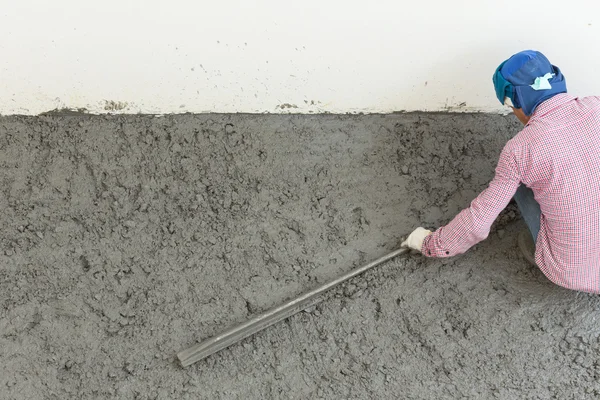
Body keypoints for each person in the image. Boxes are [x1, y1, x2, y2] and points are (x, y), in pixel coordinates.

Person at [401, 50, 600, 294]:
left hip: (577, 272)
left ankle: (543, 248)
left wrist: (430, 244)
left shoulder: (520, 150)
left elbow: (478, 222)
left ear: (512, 103)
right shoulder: (596, 104)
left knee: (523, 183)